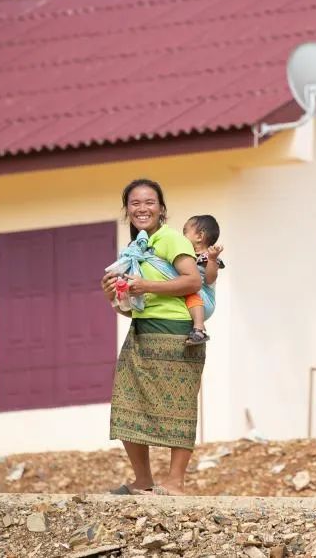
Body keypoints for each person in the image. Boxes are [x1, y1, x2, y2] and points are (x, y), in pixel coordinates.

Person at [101, 178, 204, 497]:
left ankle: (176, 482)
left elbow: (193, 281)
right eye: (135, 203)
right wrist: (112, 296)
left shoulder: (171, 239)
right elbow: (133, 308)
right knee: (125, 401)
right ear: (126, 210)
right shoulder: (134, 250)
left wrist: (144, 285)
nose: (142, 208)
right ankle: (143, 479)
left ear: (161, 209)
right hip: (141, 332)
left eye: (149, 202)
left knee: (179, 406)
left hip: (177, 333)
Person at [181, 214, 225, 346]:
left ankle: (199, 330)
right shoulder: (189, 255)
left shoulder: (208, 257)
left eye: (185, 232)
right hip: (196, 300)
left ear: (200, 236)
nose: (182, 237)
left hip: (205, 300)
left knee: (190, 288)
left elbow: (210, 279)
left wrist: (212, 260)